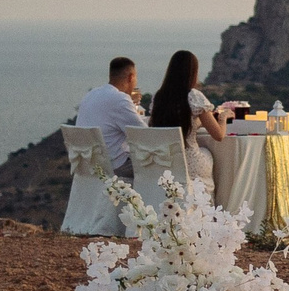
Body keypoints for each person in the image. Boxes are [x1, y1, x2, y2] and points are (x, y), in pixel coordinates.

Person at [148, 50, 228, 188]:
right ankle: (215, 206)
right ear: (193, 72)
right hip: (189, 165)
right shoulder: (194, 96)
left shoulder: (159, 97)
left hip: (164, 163)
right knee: (211, 154)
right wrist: (224, 117)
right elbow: (219, 135)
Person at [73, 57, 147, 176]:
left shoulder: (91, 94)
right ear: (131, 77)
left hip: (88, 165)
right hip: (114, 167)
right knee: (160, 166)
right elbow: (143, 136)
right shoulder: (120, 99)